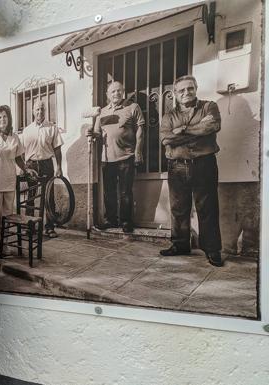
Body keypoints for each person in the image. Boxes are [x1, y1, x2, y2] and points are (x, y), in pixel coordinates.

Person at [159, 75, 223, 267]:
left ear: (196, 89)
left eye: (190, 89)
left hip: (204, 164)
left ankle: (212, 250)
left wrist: (183, 130)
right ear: (175, 95)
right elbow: (166, 139)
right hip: (177, 165)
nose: (186, 93)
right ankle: (180, 245)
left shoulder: (209, 106)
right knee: (178, 208)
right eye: (181, 90)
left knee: (208, 207)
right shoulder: (168, 116)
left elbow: (212, 126)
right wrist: (197, 129)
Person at [89, 81, 145, 233]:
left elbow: (140, 130)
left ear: (123, 92)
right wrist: (91, 133)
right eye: (113, 91)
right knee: (109, 192)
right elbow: (97, 133)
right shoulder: (102, 112)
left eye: (119, 91)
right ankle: (111, 220)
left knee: (125, 192)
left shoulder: (132, 107)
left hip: (126, 157)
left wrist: (138, 152)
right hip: (107, 159)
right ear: (108, 95)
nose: (116, 94)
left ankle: (126, 222)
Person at [0, 105, 34, 258]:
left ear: (9, 119)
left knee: (7, 215)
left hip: (10, 182)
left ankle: (4, 246)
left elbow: (18, 158)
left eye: (5, 117)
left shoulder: (15, 137)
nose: (2, 119)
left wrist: (26, 169)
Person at [20, 99, 63, 238]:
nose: (39, 112)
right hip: (31, 165)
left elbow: (57, 150)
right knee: (31, 196)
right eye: (37, 109)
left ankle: (49, 228)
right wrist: (25, 166)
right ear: (33, 111)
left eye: (42, 109)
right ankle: (29, 226)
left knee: (48, 196)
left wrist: (59, 167)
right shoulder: (27, 130)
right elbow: (21, 151)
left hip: (46, 164)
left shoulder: (52, 128)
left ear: (46, 111)